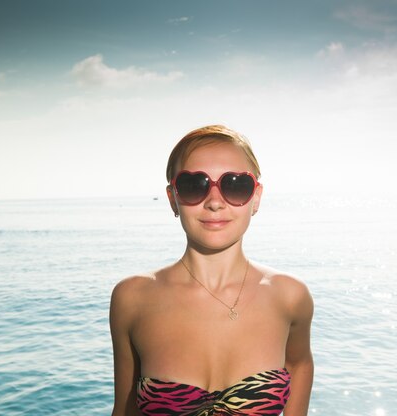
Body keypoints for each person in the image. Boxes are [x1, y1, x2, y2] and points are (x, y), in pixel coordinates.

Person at [110, 125, 314, 416]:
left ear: (256, 197)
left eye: (235, 184)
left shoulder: (290, 296)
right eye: (195, 185)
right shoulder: (132, 298)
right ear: (173, 198)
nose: (215, 202)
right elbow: (125, 409)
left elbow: (299, 363)